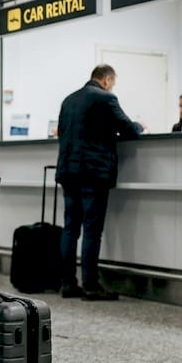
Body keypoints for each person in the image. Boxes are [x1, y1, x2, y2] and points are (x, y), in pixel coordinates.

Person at [56, 64, 144, 301]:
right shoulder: (106, 99)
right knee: (92, 231)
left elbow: (62, 132)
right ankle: (91, 285)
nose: (112, 86)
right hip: (93, 174)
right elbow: (130, 130)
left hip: (68, 171)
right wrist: (140, 126)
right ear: (106, 80)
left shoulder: (69, 100)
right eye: (112, 83)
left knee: (71, 228)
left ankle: (67, 284)